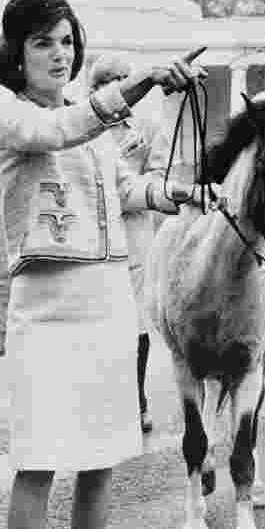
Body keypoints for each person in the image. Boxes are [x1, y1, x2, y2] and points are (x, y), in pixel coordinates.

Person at [0, 0, 204, 529]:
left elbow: (126, 188)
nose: (60, 53)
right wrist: (142, 82)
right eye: (43, 41)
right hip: (46, 305)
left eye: (66, 40)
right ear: (16, 54)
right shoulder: (17, 118)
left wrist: (181, 195)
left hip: (109, 301)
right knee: (36, 461)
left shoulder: (94, 126)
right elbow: (64, 132)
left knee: (99, 460)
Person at [87, 53, 176, 434]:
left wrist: (133, 182)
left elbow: (158, 174)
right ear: (97, 88)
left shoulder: (150, 127)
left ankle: (136, 396)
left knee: (136, 315)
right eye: (112, 80)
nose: (123, 85)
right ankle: (101, 396)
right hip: (92, 228)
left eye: (127, 77)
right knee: (99, 311)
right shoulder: (86, 124)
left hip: (135, 227)